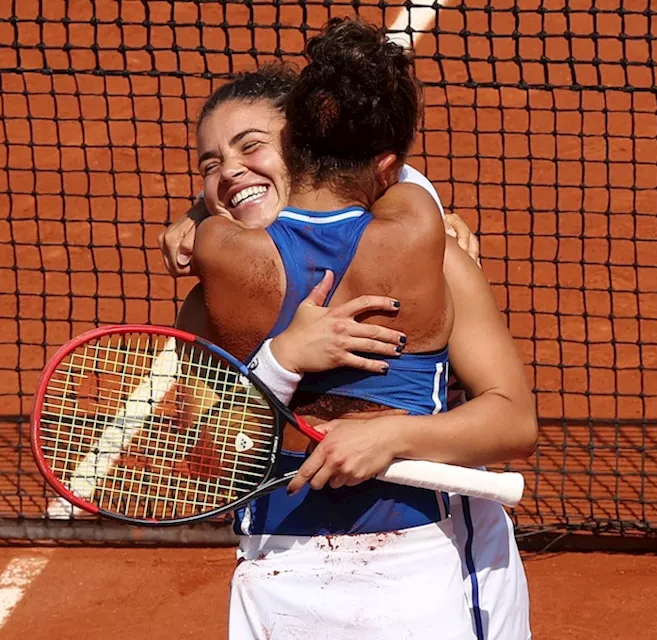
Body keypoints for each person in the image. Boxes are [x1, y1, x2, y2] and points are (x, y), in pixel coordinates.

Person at [163, 20, 536, 640]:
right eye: (212, 164)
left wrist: (389, 437)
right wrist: (281, 361)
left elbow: (512, 424)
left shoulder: (432, 250)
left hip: (425, 568)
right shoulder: (424, 243)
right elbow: (199, 461)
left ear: (299, 143)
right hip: (281, 572)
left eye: (251, 147)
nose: (230, 172)